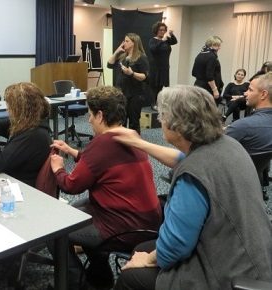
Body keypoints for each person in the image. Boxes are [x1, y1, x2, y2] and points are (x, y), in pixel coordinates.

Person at [111, 85, 272, 290]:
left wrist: (148, 260)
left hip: (227, 275)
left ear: (174, 124)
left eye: (162, 116)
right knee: (142, 248)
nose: (161, 122)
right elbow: (182, 158)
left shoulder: (192, 175)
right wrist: (140, 144)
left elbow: (174, 247)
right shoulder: (228, 145)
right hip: (254, 255)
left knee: (131, 277)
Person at [49, 86, 162, 290]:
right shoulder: (130, 135)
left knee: (56, 231)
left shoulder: (101, 145)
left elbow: (71, 185)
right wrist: (73, 152)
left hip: (125, 229)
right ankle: (100, 276)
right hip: (149, 222)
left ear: (100, 115)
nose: (89, 120)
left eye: (91, 114)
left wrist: (58, 169)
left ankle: (79, 285)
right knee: (77, 209)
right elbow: (101, 164)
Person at [107, 33, 150, 134]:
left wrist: (131, 73)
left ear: (134, 43)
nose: (124, 43)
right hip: (121, 94)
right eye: (124, 40)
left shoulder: (141, 57)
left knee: (133, 123)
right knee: (121, 121)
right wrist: (116, 52)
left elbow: (145, 77)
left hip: (135, 95)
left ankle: (134, 146)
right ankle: (123, 145)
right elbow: (109, 64)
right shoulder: (123, 56)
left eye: (127, 41)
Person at [148, 22, 177, 110]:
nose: (162, 32)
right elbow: (153, 49)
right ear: (156, 30)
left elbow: (174, 42)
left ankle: (158, 102)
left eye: (164, 30)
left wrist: (172, 34)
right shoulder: (153, 40)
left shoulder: (166, 40)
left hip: (164, 67)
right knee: (154, 86)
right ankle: (153, 103)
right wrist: (162, 41)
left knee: (161, 86)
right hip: (155, 67)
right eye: (160, 30)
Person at [192, 35, 224, 104]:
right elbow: (209, 76)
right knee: (209, 111)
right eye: (218, 46)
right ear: (212, 45)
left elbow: (194, 72)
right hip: (208, 88)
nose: (219, 48)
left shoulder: (200, 54)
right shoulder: (212, 56)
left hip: (198, 85)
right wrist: (215, 90)